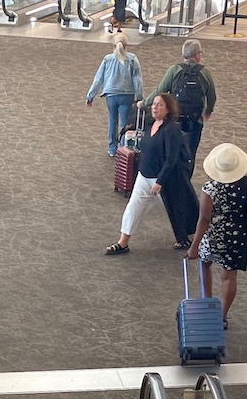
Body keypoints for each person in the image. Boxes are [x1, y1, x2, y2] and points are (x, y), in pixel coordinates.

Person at [105, 92, 199, 255]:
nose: (155, 107)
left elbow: (171, 158)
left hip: (164, 180)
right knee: (133, 207)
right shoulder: (150, 125)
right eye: (154, 104)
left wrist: (160, 181)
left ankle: (192, 241)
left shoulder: (171, 130)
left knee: (177, 209)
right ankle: (123, 242)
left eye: (160, 105)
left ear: (168, 109)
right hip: (144, 176)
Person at [188, 143, 247, 328]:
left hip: (213, 237)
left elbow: (204, 220)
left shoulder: (210, 189)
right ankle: (222, 316)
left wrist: (194, 246)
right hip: (237, 236)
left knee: (205, 264)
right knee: (229, 276)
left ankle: (207, 302)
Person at [151, 38, 218, 173]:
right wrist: (208, 110)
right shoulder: (204, 72)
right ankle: (186, 179)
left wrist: (145, 103)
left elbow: (160, 91)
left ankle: (169, 178)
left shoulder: (174, 70)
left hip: (175, 119)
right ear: (196, 56)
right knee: (190, 153)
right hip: (195, 120)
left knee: (170, 150)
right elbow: (212, 96)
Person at [85, 32, 143, 157]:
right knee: (124, 123)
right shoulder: (132, 59)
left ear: (113, 45)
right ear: (126, 45)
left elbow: (98, 79)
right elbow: (137, 79)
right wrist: (139, 97)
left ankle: (112, 148)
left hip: (111, 95)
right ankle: (123, 149)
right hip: (127, 95)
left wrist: (90, 96)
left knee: (112, 121)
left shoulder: (107, 59)